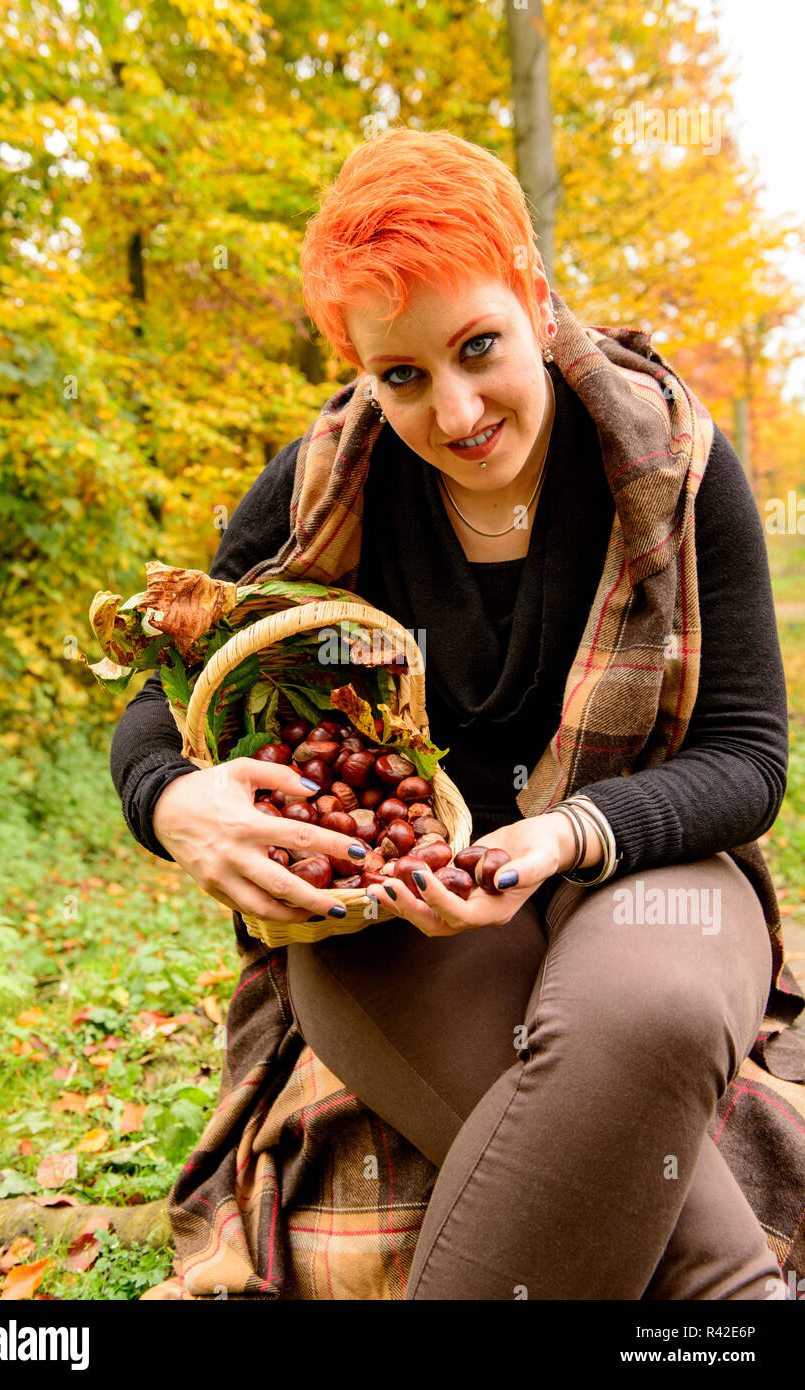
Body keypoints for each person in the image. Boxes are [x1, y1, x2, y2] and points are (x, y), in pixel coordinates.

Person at [110, 128, 792, 1299]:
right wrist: (174, 804)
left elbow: (749, 755)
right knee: (608, 1153)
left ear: (533, 290)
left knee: (656, 1013)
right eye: (405, 376)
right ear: (363, 371)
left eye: (479, 346)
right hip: (389, 916)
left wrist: (566, 834)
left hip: (644, 867)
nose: (458, 408)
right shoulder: (319, 485)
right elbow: (158, 705)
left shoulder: (677, 462)